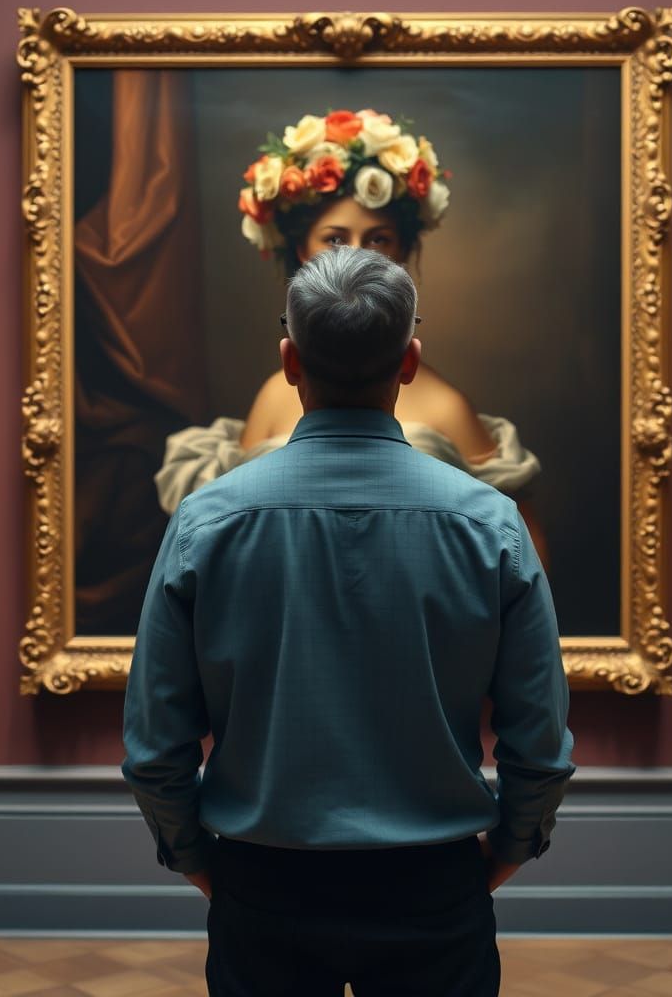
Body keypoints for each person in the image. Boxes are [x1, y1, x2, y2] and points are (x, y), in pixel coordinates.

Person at [123, 246, 574, 996]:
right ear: (410, 360)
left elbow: (155, 738)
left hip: (263, 882)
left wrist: (197, 857)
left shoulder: (208, 521)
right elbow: (540, 734)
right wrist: (507, 850)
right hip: (433, 884)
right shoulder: (490, 524)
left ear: (289, 360)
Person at [154, 108, 548, 562]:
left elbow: (522, 556)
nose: (359, 255)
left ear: (402, 251)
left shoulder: (447, 407)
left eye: (378, 238)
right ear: (301, 249)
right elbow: (233, 544)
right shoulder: (270, 399)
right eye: (336, 239)